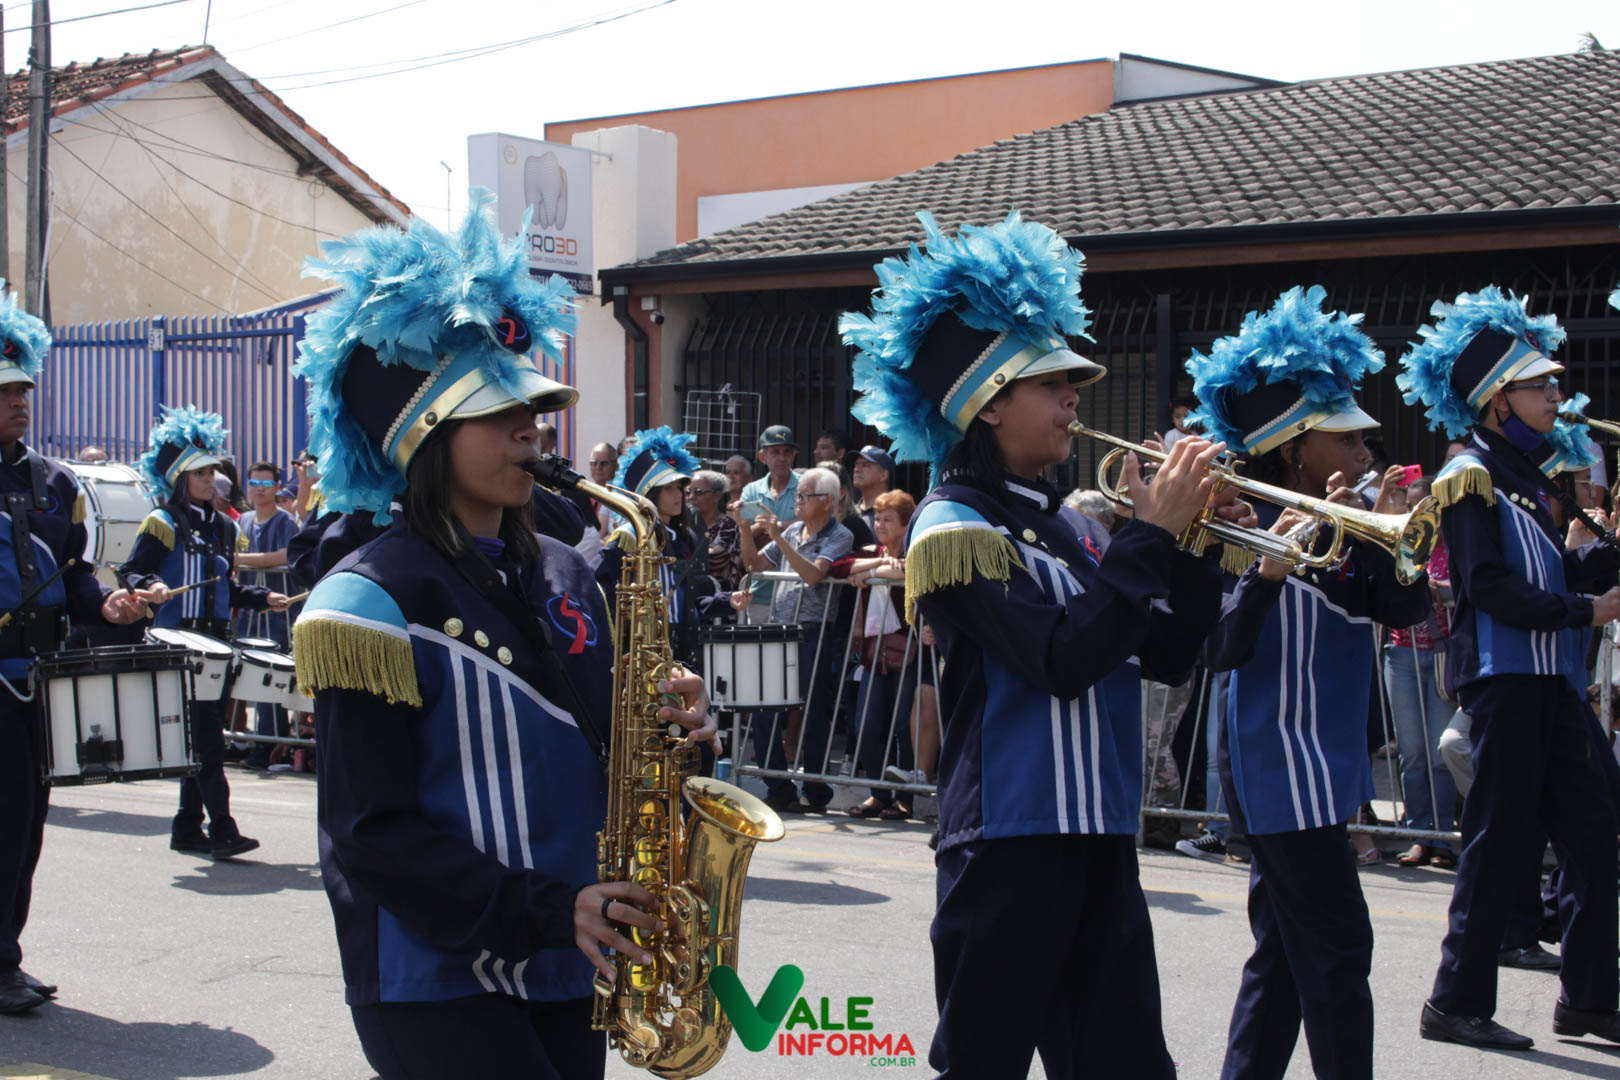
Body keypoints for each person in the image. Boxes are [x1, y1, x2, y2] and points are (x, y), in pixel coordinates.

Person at [290, 192, 715, 1079]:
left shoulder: (568, 572)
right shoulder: (364, 601)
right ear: (422, 436)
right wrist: (547, 909)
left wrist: (679, 739)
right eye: (496, 412)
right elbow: (370, 833)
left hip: (571, 959)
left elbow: (608, 760)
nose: (532, 427)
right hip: (436, 980)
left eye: (532, 406)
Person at [844, 211, 1237, 1078]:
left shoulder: (1074, 526)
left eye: (1071, 382)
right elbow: (1062, 658)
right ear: (988, 403)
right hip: (1009, 843)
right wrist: (1149, 535)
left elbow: (1165, 656)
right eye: (1050, 383)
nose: (1074, 398)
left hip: (1100, 835)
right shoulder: (952, 524)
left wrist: (1195, 544)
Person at [1187, 285, 1430, 1080]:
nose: (1365, 450)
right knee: (1337, 950)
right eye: (1346, 438)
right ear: (1293, 448)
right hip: (1276, 766)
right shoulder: (1232, 522)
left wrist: (1386, 535)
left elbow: (1404, 608)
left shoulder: (1345, 526)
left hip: (1326, 767)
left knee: (1285, 960)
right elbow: (1222, 648)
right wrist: (1267, 567)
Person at [1397, 286, 1620, 1049]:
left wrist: (1599, 570)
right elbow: (1488, 586)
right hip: (1506, 685)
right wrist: (1585, 612)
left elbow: (1554, 573)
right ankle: (1453, 1002)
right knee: (1497, 843)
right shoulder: (1469, 473)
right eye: (1539, 385)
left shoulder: (1528, 477)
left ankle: (1589, 998)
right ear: (1498, 400)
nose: (1556, 396)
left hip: (1551, 684)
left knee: (1598, 832)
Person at [0, 294, 147, 1016]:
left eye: (23, 390)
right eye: (5, 393)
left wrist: (109, 605)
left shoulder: (55, 482)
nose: (19, 402)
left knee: (25, 824)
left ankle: (5, 955)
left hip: (39, 676)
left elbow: (79, 574)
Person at [122, 408, 290, 860]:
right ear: (180, 478)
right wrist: (151, 585)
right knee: (207, 741)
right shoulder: (163, 521)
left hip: (216, 642)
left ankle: (186, 826)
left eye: (212, 470)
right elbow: (132, 571)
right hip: (180, 643)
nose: (210, 478)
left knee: (202, 737)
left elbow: (226, 588)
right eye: (200, 472)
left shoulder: (225, 527)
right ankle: (223, 828)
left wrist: (263, 597)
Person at [732, 466, 852, 811]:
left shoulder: (839, 534)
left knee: (812, 712)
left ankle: (815, 790)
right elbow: (754, 564)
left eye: (804, 496)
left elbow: (814, 575)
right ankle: (778, 786)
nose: (797, 501)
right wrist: (744, 528)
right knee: (764, 708)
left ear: (827, 501)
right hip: (780, 627)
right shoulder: (795, 529)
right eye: (797, 495)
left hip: (813, 630)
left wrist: (779, 537)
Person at [1381, 474, 1459, 869]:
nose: (1415, 514)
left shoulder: (1457, 546)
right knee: (1412, 753)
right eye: (1410, 506)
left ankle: (1442, 836)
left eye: (1423, 507)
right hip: (1402, 656)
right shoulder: (1403, 543)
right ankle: (1418, 835)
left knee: (1440, 753)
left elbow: (1467, 590)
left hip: (1442, 658)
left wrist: (1439, 590)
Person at [830, 489, 918, 820]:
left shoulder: (915, 551)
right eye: (877, 518)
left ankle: (905, 798)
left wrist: (867, 574)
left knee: (903, 727)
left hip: (909, 652)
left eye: (888, 520)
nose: (879, 525)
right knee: (865, 725)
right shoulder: (874, 552)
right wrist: (880, 563)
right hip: (874, 653)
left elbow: (911, 571)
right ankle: (879, 794)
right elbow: (839, 567)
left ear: (906, 525)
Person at [597, 426, 716, 670]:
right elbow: (601, 585)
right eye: (669, 488)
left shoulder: (685, 537)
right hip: (643, 644)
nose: (679, 495)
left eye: (679, 488)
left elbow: (689, 596)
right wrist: (639, 608)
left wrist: (727, 599)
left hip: (683, 642)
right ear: (649, 494)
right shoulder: (629, 536)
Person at [235, 460, 302, 769]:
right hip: (251, 612)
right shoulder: (243, 520)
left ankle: (270, 745)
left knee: (272, 678)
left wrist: (241, 559)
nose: (259, 490)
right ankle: (257, 743)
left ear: (276, 487)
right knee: (251, 679)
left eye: (265, 484)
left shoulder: (286, 521)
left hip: (278, 613)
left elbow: (286, 556)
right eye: (254, 484)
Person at [688, 468, 743, 594]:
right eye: (688, 492)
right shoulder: (684, 525)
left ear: (717, 496)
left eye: (698, 492)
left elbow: (715, 560)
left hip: (717, 597)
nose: (691, 497)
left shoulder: (728, 526)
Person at [851, 444, 895, 533]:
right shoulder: (850, 513)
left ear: (884, 475)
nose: (856, 469)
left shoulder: (896, 512)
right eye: (856, 465)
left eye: (865, 465)